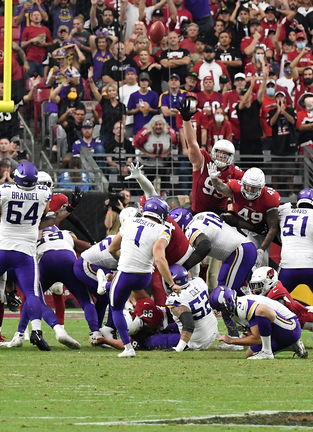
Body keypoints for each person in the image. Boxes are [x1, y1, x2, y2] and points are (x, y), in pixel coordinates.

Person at [0, 162, 80, 351]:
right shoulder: (13, 198)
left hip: (5, 254)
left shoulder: (8, 195)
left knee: (0, 297)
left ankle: (16, 333)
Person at [105, 197, 178, 358]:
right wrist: (172, 283)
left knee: (116, 307)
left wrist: (123, 258)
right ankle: (153, 323)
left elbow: (112, 248)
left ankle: (128, 346)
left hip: (126, 274)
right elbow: (159, 258)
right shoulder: (163, 229)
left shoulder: (129, 222)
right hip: (145, 277)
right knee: (142, 299)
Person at [178, 99, 244, 214]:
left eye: (225, 155)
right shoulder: (203, 160)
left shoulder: (235, 173)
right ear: (214, 152)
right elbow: (192, 143)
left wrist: (216, 181)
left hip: (220, 214)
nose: (221, 157)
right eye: (219, 154)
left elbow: (232, 194)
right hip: (197, 212)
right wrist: (186, 120)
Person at [210, 286, 305, 360]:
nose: (222, 312)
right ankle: (293, 346)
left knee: (260, 310)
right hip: (279, 332)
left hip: (291, 327)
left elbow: (257, 338)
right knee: (250, 353)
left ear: (229, 301)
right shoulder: (235, 313)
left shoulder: (244, 305)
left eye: (221, 309)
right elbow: (256, 335)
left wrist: (231, 340)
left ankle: (267, 352)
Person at [209, 165, 281, 256]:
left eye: (254, 187)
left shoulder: (270, 198)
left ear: (261, 187)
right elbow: (221, 188)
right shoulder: (236, 188)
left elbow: (273, 228)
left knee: (259, 260)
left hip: (259, 232)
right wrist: (214, 179)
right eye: (248, 186)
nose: (250, 190)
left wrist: (262, 250)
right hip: (239, 227)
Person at [163, 264, 220, 352]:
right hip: (213, 330)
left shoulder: (175, 298)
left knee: (153, 340)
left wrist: (179, 348)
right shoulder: (198, 281)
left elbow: (189, 324)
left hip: (198, 341)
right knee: (167, 327)